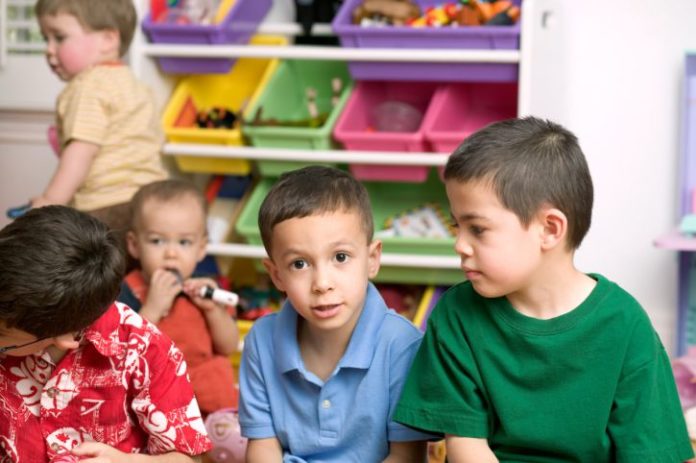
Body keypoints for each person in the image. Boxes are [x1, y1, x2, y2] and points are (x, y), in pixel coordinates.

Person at [393, 116, 694, 462]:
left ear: (549, 229)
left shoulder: (625, 325)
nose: (459, 244)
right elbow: (466, 445)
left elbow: (652, 454)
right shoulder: (457, 313)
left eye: (477, 229)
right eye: (455, 225)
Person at [239, 165, 434, 462]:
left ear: (372, 259)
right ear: (276, 274)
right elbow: (263, 446)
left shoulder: (401, 343)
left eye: (340, 257)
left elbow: (406, 457)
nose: (322, 284)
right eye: (299, 264)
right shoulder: (262, 340)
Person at [0, 206, 211, 462]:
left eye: (3, 339)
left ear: (67, 336)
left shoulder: (142, 347)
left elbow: (189, 458)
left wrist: (126, 462)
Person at [30, 0, 167, 238]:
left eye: (59, 38)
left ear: (108, 40)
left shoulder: (88, 86)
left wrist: (49, 201)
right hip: (152, 203)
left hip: (105, 208)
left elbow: (82, 151)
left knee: (84, 271)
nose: (49, 49)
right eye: (46, 38)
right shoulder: (135, 85)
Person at [120, 179, 239, 415]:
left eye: (184, 242)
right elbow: (123, 352)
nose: (171, 253)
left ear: (201, 248)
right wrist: (152, 308)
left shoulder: (206, 288)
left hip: (212, 396)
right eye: (157, 241)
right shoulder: (127, 290)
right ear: (134, 246)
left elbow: (228, 346)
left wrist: (213, 310)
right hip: (158, 400)